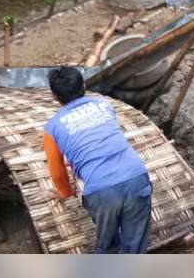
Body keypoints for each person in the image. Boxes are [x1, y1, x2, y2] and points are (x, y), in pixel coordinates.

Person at [43, 66, 152, 252]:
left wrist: (65, 192)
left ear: (54, 95)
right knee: (136, 244)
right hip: (136, 176)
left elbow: (57, 171)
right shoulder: (104, 105)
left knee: (108, 246)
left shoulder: (52, 128)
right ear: (84, 86)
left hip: (101, 192)